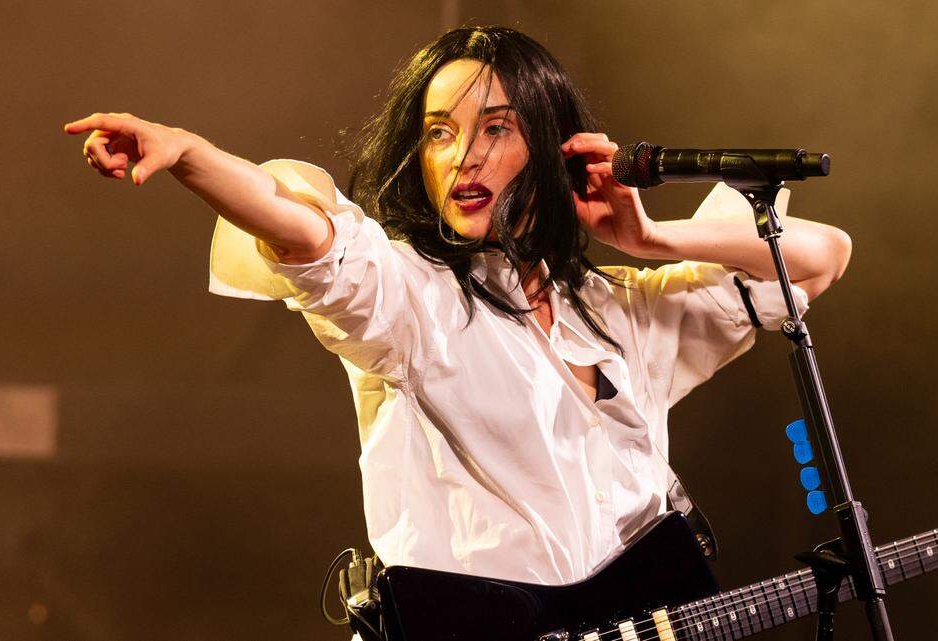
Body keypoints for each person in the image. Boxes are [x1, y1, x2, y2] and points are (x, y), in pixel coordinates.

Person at [63, 26, 851, 586]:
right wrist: (189, 153)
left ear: (551, 145)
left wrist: (652, 240)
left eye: (496, 128)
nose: (464, 156)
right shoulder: (413, 298)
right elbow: (305, 230)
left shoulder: (618, 312)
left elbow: (821, 258)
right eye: (440, 133)